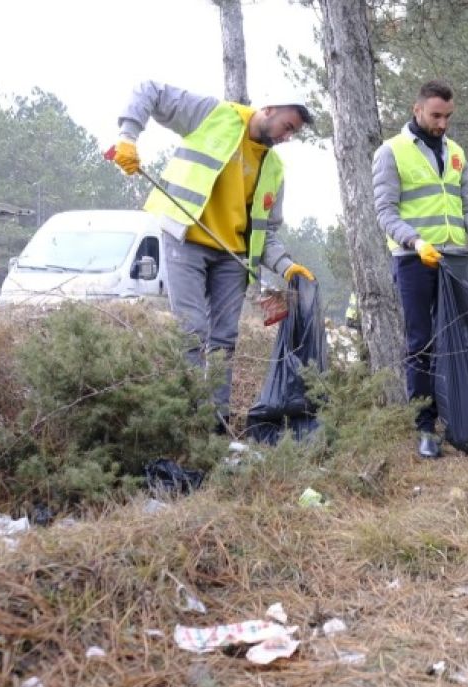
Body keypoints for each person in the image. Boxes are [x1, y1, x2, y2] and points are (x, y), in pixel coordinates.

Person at [110, 81, 316, 432]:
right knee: (191, 331)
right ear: (269, 110)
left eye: (294, 132)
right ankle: (187, 417)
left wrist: (286, 266)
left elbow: (266, 233)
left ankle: (215, 423)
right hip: (186, 239)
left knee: (224, 340)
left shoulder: (275, 169)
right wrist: (128, 137)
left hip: (231, 257)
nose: (287, 137)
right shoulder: (213, 115)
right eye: (288, 127)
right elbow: (150, 90)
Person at [373, 79, 468, 459]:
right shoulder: (391, 152)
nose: (442, 124)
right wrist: (415, 242)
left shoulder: (456, 153)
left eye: (448, 116)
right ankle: (425, 426)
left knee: (456, 341)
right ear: (417, 110)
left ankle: (458, 417)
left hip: (455, 260)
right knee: (421, 343)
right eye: (435, 115)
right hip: (414, 261)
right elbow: (385, 212)